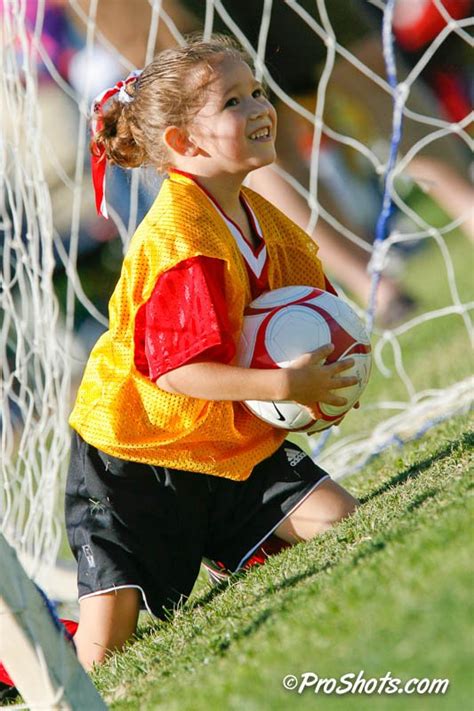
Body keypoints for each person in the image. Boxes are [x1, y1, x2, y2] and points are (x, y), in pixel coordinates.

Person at [65, 34, 359, 670]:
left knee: (341, 521)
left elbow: (312, 306)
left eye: (256, 91)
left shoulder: (262, 217)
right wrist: (286, 389)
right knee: (102, 652)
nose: (258, 107)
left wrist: (333, 367)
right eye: (232, 101)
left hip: (226, 441)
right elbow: (176, 371)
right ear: (183, 143)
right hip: (134, 454)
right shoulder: (183, 241)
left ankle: (240, 539)